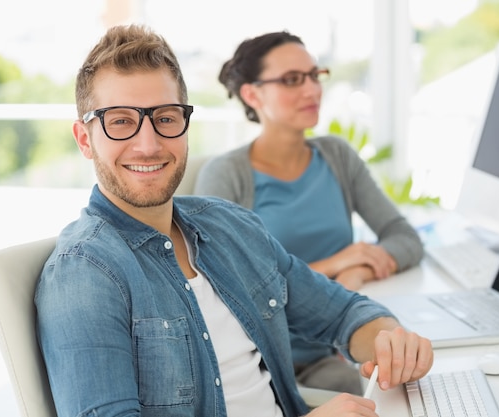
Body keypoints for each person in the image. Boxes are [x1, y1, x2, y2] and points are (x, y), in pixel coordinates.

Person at [35, 24, 433, 417]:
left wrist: (391, 342)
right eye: (120, 121)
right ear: (85, 139)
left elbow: (344, 312)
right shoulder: (84, 274)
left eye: (166, 117)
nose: (149, 143)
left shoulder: (231, 227)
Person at [194, 31, 424, 394]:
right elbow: (222, 288)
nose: (312, 90)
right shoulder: (226, 175)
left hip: (337, 347)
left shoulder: (336, 156)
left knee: (407, 389)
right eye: (291, 80)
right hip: (260, 361)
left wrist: (357, 270)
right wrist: (334, 266)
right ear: (252, 94)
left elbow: (404, 237)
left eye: (315, 76)